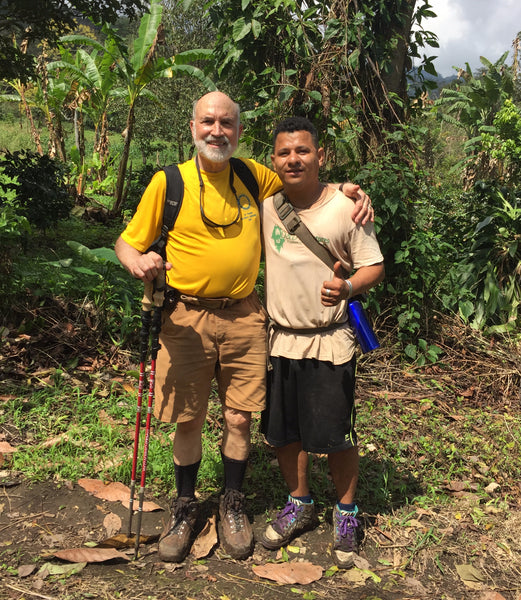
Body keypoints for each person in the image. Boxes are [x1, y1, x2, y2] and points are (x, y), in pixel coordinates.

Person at [115, 91, 373, 563]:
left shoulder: (254, 175)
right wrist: (138, 259)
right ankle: (185, 507)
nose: (218, 131)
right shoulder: (167, 183)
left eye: (227, 123)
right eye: (208, 122)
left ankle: (232, 504)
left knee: (240, 416)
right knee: (188, 418)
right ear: (192, 128)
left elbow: (306, 179)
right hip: (185, 316)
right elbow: (126, 242)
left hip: (245, 315)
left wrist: (350, 190)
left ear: (238, 130)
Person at [260, 116, 384, 569]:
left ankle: (347, 511)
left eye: (303, 151)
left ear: (320, 155)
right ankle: (300, 502)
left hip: (329, 339)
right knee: (284, 433)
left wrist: (349, 289)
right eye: (284, 153)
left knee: (335, 434)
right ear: (274, 161)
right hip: (280, 340)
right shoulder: (267, 204)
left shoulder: (347, 207)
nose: (294, 159)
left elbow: (373, 266)